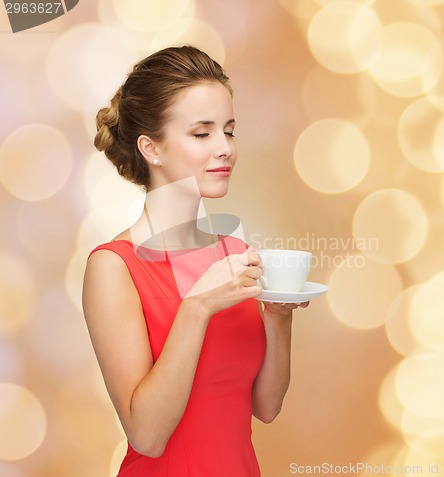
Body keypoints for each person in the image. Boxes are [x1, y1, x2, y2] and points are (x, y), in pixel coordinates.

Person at [82, 45, 308, 477]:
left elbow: (266, 406)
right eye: (202, 134)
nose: (224, 148)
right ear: (152, 148)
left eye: (229, 130)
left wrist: (279, 317)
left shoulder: (234, 254)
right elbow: (146, 436)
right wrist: (197, 307)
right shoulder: (114, 268)